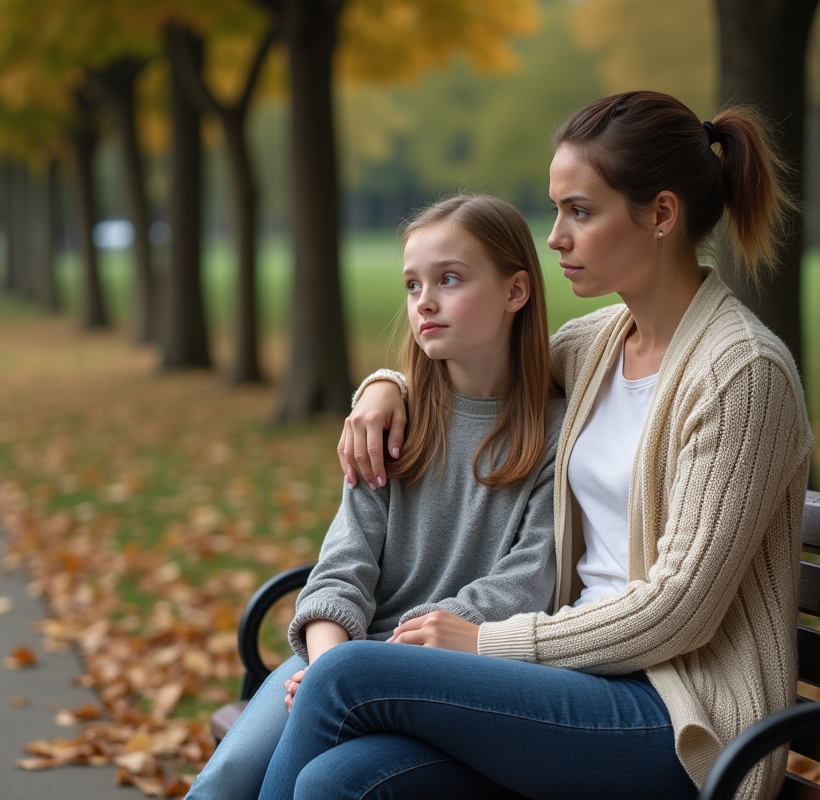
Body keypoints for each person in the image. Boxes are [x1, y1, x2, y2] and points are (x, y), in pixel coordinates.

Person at [262, 90, 813, 800]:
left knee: (345, 676)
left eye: (580, 211)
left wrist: (491, 642)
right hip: (569, 685)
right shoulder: (595, 347)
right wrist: (383, 387)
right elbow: (471, 356)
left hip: (680, 720)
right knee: (342, 781)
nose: (555, 237)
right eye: (557, 211)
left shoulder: (741, 373)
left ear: (662, 216)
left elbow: (681, 607)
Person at [187, 194, 566, 800]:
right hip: (342, 654)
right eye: (413, 285)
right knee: (226, 780)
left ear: (516, 291)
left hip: (452, 679)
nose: (426, 302)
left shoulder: (559, 436)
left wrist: (370, 669)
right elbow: (339, 571)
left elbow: (524, 584)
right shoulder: (390, 423)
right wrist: (324, 666)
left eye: (450, 279)